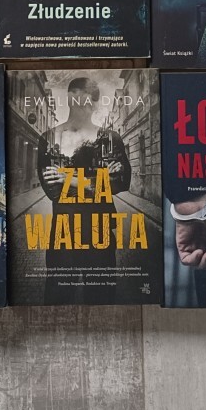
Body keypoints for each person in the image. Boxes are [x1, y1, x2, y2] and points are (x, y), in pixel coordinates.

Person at [36, 76, 132, 305]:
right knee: (58, 299)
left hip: (101, 231)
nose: (88, 106)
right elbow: (53, 191)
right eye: (82, 99)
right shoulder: (48, 140)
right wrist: (100, 181)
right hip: (64, 233)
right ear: (71, 98)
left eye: (92, 100)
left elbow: (122, 182)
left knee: (101, 298)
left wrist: (70, 179)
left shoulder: (111, 139)